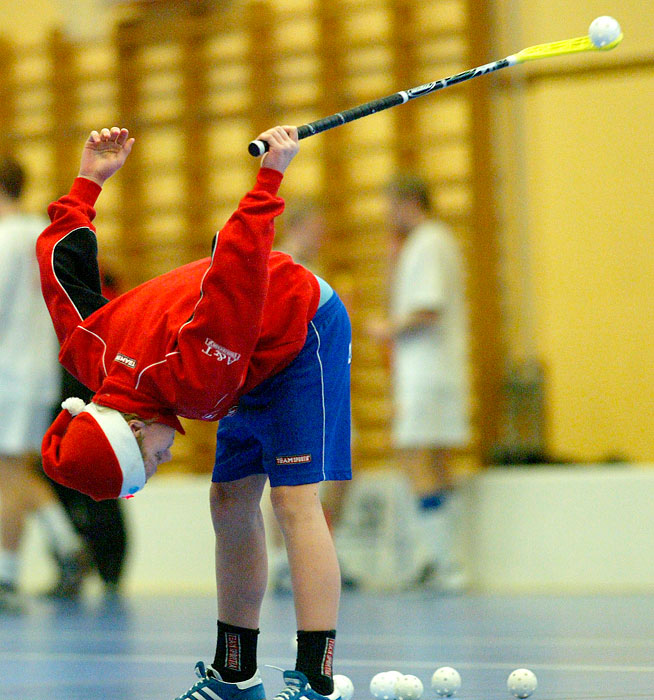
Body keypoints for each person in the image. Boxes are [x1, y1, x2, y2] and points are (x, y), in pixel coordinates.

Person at [37, 126, 351, 700]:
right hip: (245, 350)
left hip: (302, 327)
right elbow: (63, 272)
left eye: (149, 462)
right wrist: (86, 182)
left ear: (130, 430)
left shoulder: (195, 383)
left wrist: (270, 178)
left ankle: (317, 680)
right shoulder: (93, 351)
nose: (165, 459)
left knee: (292, 499)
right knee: (228, 498)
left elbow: (236, 273)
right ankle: (236, 673)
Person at [367, 173, 471, 592]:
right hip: (437, 369)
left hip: (425, 372)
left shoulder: (428, 241)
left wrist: (387, 329)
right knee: (437, 463)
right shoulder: (430, 242)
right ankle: (438, 558)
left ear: (409, 201)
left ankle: (446, 565)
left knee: (415, 457)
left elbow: (427, 309)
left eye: (392, 205)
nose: (388, 216)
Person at [0, 155, 87, 613]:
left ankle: (6, 576)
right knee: (13, 468)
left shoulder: (5, 237)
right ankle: (67, 543)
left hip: (9, 371)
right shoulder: (40, 233)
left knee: (8, 473)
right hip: (36, 367)